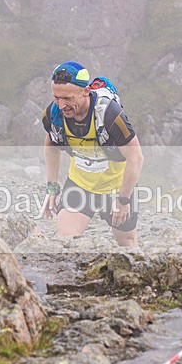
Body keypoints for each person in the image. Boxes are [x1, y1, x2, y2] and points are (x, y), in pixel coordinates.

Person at [41, 61, 144, 247]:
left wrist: (123, 201)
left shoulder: (109, 114)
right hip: (80, 185)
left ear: (86, 91)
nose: (61, 105)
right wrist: (52, 188)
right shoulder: (53, 114)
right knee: (65, 240)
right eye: (56, 97)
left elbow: (136, 158)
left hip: (116, 188)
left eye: (67, 98)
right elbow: (51, 145)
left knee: (126, 243)